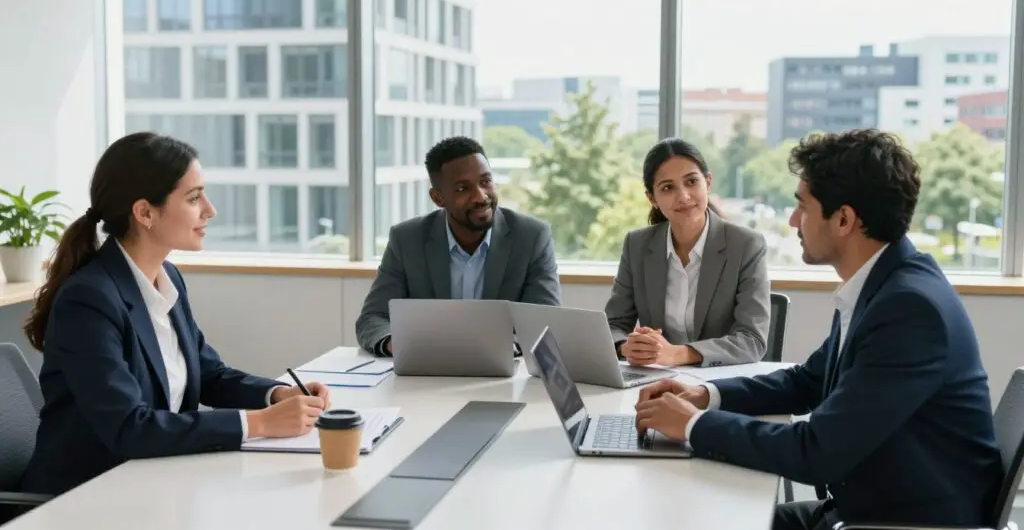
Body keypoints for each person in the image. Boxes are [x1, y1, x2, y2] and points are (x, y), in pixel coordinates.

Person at [633, 129, 1002, 530]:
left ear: (843, 219)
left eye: (802, 207)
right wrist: (705, 395)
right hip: (864, 509)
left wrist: (691, 423)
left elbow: (815, 452)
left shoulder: (909, 309)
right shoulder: (883, 284)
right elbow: (807, 381)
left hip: (900, 523)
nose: (792, 220)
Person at [20, 133, 331, 497]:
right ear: (145, 213)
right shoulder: (89, 300)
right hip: (86, 497)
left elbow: (208, 374)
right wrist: (258, 423)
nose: (210, 210)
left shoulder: (168, 279)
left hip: (156, 483)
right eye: (194, 198)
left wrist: (276, 395)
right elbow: (129, 428)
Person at [356, 136, 560, 356]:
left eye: (485, 182)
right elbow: (372, 318)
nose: (480, 197)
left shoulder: (531, 237)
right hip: (428, 372)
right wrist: (393, 342)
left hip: (505, 375)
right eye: (463, 189)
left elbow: (545, 321)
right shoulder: (407, 239)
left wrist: (508, 346)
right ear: (437, 198)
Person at [604, 138, 769, 367]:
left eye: (691, 182)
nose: (683, 196)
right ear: (652, 198)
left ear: (708, 182)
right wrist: (626, 347)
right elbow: (614, 324)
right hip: (656, 381)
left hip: (719, 383)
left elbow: (752, 340)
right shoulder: (637, 245)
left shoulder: (746, 245)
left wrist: (678, 354)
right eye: (668, 187)